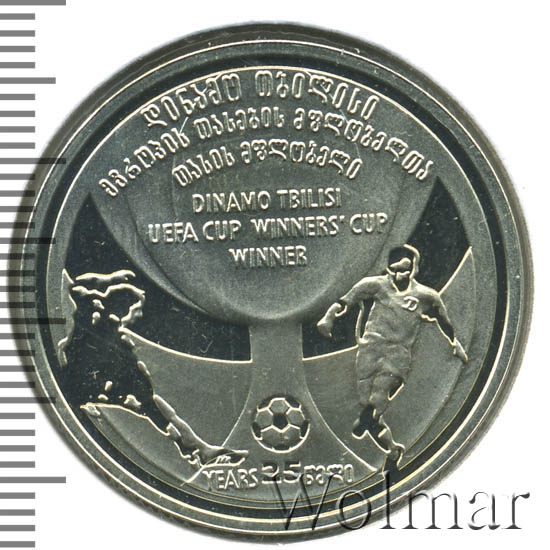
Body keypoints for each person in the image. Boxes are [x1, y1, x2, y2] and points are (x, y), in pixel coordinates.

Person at [58, 270, 246, 468]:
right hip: (90, 381)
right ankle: (197, 449)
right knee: (150, 405)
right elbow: (76, 286)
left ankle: (197, 449)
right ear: (121, 307)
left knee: (154, 406)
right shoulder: (95, 315)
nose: (138, 315)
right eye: (136, 309)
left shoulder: (107, 326)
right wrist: (111, 280)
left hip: (104, 374)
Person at [317, 244, 468, 465]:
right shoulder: (375, 285)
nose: (398, 275)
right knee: (366, 404)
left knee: (378, 397)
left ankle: (368, 418)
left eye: (404, 270)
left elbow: (443, 320)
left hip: (398, 354)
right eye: (394, 269)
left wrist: (455, 343)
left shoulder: (426, 296)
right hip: (370, 350)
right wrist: (329, 317)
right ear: (388, 268)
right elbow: (345, 301)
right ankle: (391, 449)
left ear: (414, 269)